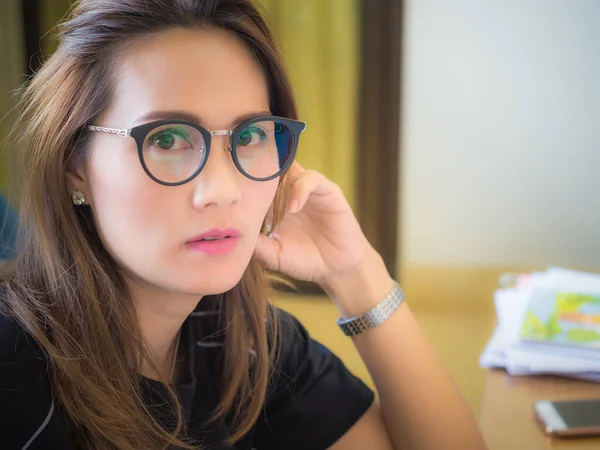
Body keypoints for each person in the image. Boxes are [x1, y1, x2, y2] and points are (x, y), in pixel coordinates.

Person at [0, 1, 487, 449]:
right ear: (75, 168)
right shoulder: (14, 369)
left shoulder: (243, 340)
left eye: (251, 134)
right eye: (168, 139)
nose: (222, 190)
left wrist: (357, 274)